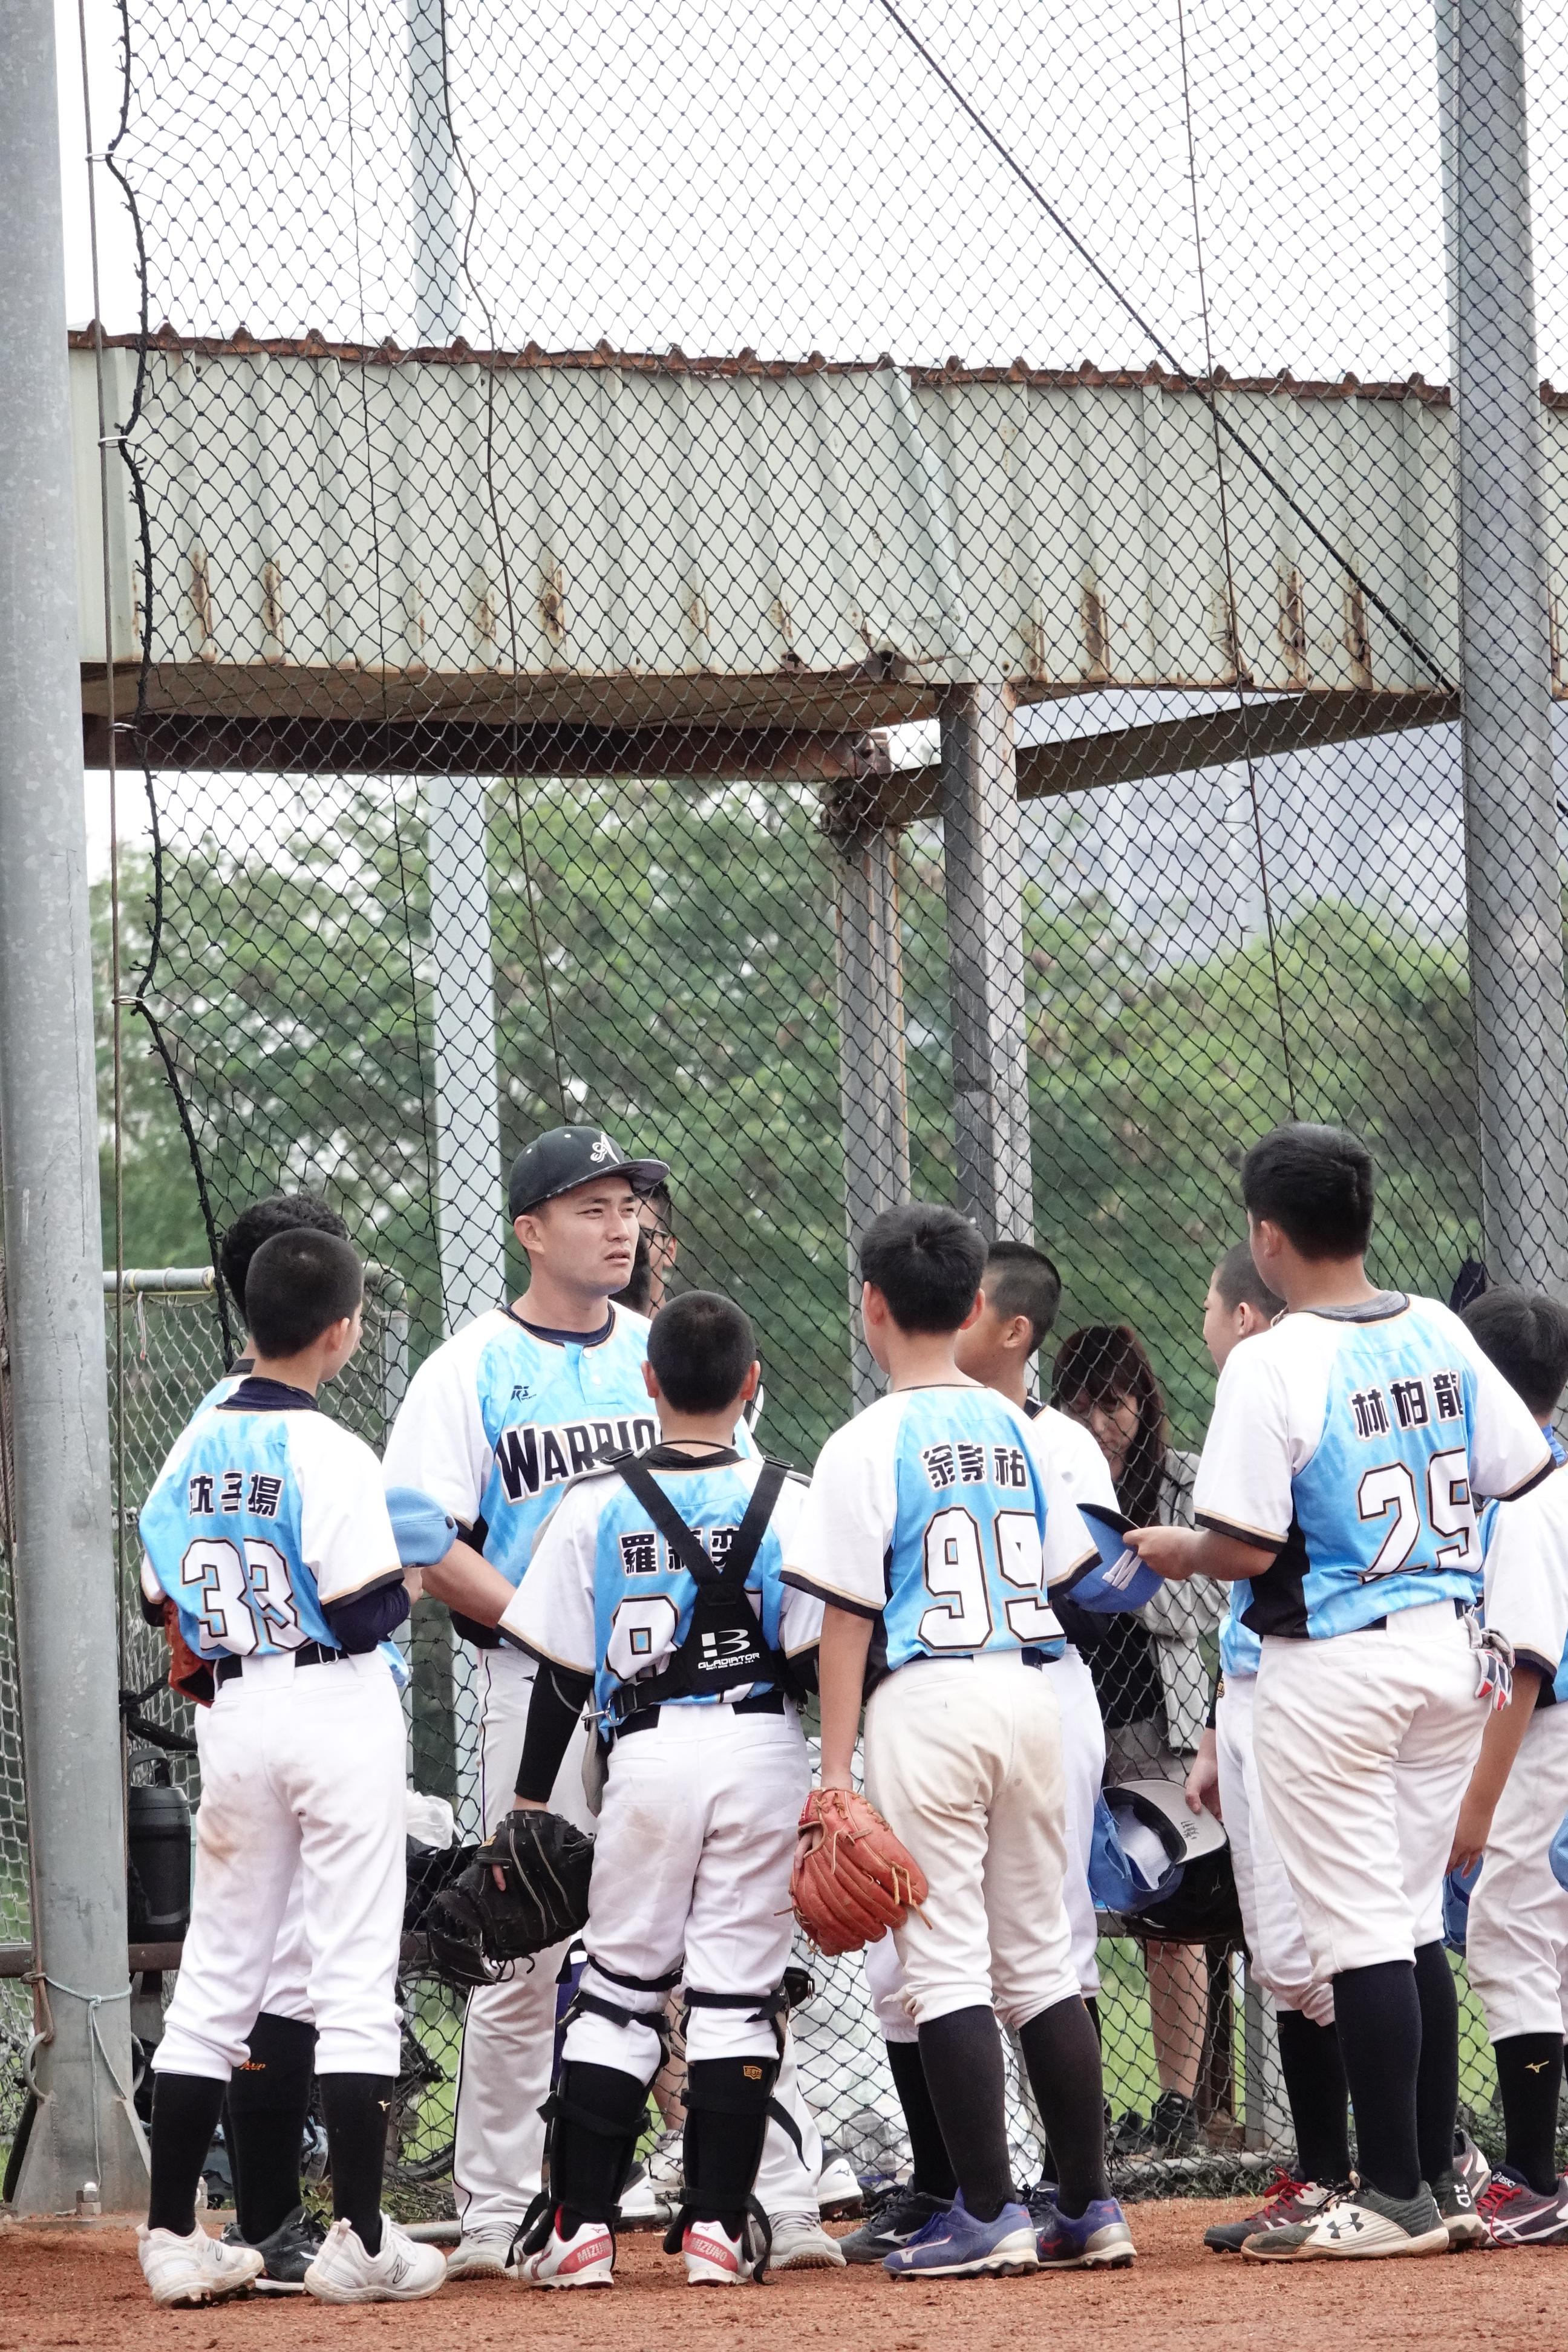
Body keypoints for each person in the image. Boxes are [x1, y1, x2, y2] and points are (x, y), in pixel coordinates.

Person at [1130, 1122, 1552, 2260]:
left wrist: (1177, 1550)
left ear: (1267, 1237)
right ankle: (1438, 2181)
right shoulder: (1442, 1328)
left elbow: (1243, 1545)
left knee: (1362, 1931)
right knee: (1409, 1922)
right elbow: (1519, 1467)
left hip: (1332, 1666)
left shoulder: (1273, 1360)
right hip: (1447, 1655)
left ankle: (1398, 2194)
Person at [784, 1203, 1135, 2278]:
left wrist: (834, 1771)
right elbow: (1077, 1574)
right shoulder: (1022, 1428)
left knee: (941, 1966)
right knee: (1039, 1959)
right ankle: (1089, 2206)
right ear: (975, 1304)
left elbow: (846, 1618)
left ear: (871, 1306)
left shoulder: (863, 1442)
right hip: (1029, 1694)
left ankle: (985, 2210)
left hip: (926, 1703)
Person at [380, 1123, 670, 2276]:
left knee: (685, 1939)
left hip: (669, 1697)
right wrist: (552, 1628)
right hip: (526, 1687)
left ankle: (722, 2180)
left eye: (629, 1207)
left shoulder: (659, 1352)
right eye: (593, 1207)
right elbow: (423, 1538)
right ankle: (499, 2206)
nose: (621, 1227)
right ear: (531, 1231)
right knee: (520, 1942)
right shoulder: (468, 1368)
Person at [134, 1229, 445, 2307]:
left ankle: (173, 2236)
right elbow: (358, 1616)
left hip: (237, 1712)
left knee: (218, 1974)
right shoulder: (333, 1450)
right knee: (350, 1973)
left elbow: (154, 1594)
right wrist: (412, 1577)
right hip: (332, 1706)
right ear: (343, 1331)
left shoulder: (195, 1436)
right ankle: (364, 2240)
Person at [498, 1291, 823, 2287]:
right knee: (736, 1993)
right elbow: (815, 1661)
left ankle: (579, 2230)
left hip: (644, 1755)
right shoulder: (793, 1499)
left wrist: (529, 1804)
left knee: (620, 1984)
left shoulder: (595, 1502)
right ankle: (718, 2228)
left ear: (649, 1381)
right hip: (763, 1748)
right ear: (752, 1384)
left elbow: (561, 1675)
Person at [1184, 1244, 1356, 2253]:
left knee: (1337, 1945)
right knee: (1287, 1957)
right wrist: (1215, 1724)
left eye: (1212, 1309)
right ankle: (1326, 2173)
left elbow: (1247, 1559)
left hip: (1306, 1689)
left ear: (1245, 1317)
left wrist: (1177, 1551)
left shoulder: (1272, 1383)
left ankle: (1408, 2162)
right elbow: (1245, 1601)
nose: (1207, 1326)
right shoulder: (1259, 1394)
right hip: (1252, 1693)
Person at [1053, 1321, 1222, 2157]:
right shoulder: (1049, 1473)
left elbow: (1208, 1600)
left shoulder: (1183, 1481)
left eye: (1113, 1404)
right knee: (1060, 1908)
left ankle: (1179, 2106)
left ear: (1143, 1406)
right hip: (1069, 1714)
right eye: (1081, 1405)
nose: (1098, 1423)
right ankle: (1072, 2123)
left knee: (1171, 1914)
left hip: (1162, 1721)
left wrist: (1123, 1574)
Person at [1449, 1288, 1568, 2244]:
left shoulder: (1523, 1502)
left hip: (1544, 1745)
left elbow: (1522, 1666)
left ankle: (1531, 2177)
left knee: (1509, 1935)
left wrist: (1478, 1806)